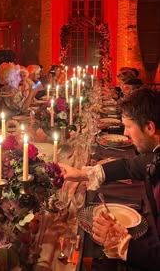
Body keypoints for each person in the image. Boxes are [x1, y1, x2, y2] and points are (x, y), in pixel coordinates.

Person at [60, 88, 160, 233]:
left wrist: (123, 246)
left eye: (128, 126)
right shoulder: (154, 154)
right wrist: (81, 174)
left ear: (149, 127)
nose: (125, 133)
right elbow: (130, 166)